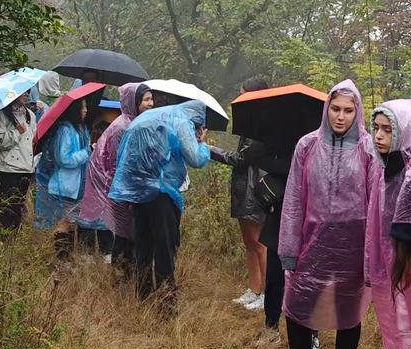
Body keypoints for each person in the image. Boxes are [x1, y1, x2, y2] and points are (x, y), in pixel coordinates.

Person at [278, 80, 373, 349]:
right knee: (298, 305)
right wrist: (289, 247)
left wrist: (373, 257)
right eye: (335, 109)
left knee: (349, 310)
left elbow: (376, 203)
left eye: (348, 110)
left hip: (353, 244)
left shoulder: (368, 148)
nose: (341, 116)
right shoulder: (307, 145)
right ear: (326, 109)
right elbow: (293, 198)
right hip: (313, 240)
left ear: (357, 112)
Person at [108, 100, 210, 311]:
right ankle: (166, 304)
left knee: (143, 247)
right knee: (164, 248)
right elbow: (196, 159)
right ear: (197, 119)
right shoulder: (181, 121)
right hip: (162, 195)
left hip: (139, 194)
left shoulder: (149, 118)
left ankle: (142, 298)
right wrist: (202, 143)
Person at [364, 99, 411, 349]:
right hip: (392, 266)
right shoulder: (383, 169)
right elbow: (374, 223)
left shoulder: (410, 177)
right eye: (376, 128)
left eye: (387, 130)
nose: (379, 135)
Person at [78, 83, 153, 270]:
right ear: (133, 102)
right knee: (123, 235)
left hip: (127, 188)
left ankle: (124, 271)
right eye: (146, 100)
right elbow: (115, 163)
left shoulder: (134, 123)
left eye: (152, 99)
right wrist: (122, 192)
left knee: (127, 234)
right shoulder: (123, 127)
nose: (151, 104)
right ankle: (120, 274)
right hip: (118, 189)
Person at [210, 78, 269, 310]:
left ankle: (267, 292)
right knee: (249, 242)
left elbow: (242, 158)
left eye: (243, 94)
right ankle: (254, 289)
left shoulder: (263, 125)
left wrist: (209, 150)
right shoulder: (250, 122)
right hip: (242, 188)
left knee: (259, 243)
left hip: (255, 189)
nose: (238, 98)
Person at [34, 99, 90, 255]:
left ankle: (65, 259)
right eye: (82, 107)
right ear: (75, 110)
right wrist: (86, 153)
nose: (85, 110)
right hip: (64, 186)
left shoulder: (81, 129)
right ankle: (61, 259)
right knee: (63, 224)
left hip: (75, 186)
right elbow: (64, 158)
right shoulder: (66, 130)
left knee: (71, 223)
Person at [0, 90, 36, 234]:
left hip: (26, 169)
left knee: (18, 205)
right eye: (24, 92)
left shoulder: (30, 115)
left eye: (29, 91)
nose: (27, 94)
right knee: (6, 206)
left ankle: (13, 238)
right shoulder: (1, 115)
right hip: (7, 169)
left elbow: (32, 141)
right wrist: (16, 132)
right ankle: (3, 238)